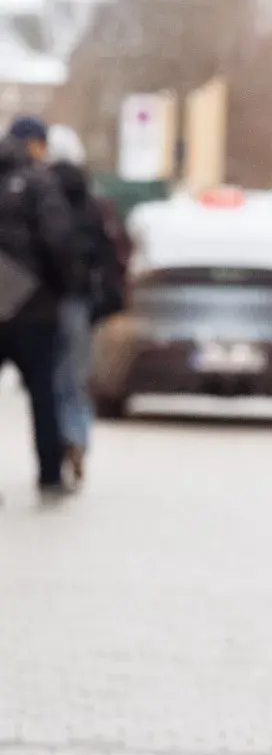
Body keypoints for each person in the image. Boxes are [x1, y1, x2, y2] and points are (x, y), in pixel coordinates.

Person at [45, 125, 127, 487]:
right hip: (80, 301)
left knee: (46, 380)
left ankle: (52, 447)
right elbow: (110, 254)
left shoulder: (39, 192)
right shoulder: (94, 201)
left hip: (43, 301)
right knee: (75, 379)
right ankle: (76, 437)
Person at [0, 114, 77, 496]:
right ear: (34, 144)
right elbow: (58, 241)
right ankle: (49, 475)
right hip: (33, 308)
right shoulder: (39, 182)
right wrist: (64, 288)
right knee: (43, 395)